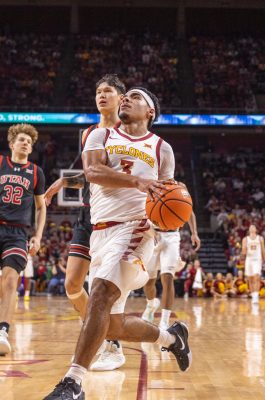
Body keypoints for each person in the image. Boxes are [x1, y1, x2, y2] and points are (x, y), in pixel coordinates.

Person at [44, 87, 190, 400]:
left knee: (98, 292)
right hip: (100, 233)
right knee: (109, 325)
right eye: (126, 95)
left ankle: (72, 383)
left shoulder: (162, 147)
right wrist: (138, 181)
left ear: (150, 112)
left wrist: (168, 236)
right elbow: (93, 171)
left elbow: (168, 197)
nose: (126, 98)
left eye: (135, 97)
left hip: (136, 231)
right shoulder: (100, 136)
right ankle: (171, 338)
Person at [44, 74, 126, 371]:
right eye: (98, 92)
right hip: (88, 212)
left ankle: (111, 343)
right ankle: (101, 333)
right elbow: (91, 174)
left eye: (108, 91)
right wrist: (62, 182)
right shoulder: (88, 132)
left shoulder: (130, 131)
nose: (101, 96)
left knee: (107, 287)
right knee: (72, 283)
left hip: (117, 216)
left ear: (121, 98)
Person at [0, 123, 46, 356]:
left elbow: (41, 207)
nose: (25, 143)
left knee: (10, 282)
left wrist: (38, 236)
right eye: (22, 139)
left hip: (17, 234)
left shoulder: (36, 172)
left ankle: (3, 332)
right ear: (12, 143)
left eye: (29, 142)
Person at [143, 193, 201, 329]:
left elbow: (189, 211)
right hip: (153, 235)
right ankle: (151, 305)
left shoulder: (179, 188)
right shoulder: (150, 183)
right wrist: (149, 230)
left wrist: (194, 233)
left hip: (172, 236)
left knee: (168, 278)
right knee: (148, 281)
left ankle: (164, 320)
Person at [241, 225, 265, 304]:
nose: (252, 228)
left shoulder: (260, 238)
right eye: (250, 227)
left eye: (254, 227)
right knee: (250, 279)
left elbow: (263, 250)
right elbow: (243, 252)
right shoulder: (245, 239)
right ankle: (253, 295)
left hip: (257, 260)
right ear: (249, 230)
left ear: (256, 229)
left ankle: (256, 296)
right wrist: (243, 253)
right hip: (249, 260)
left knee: (256, 277)